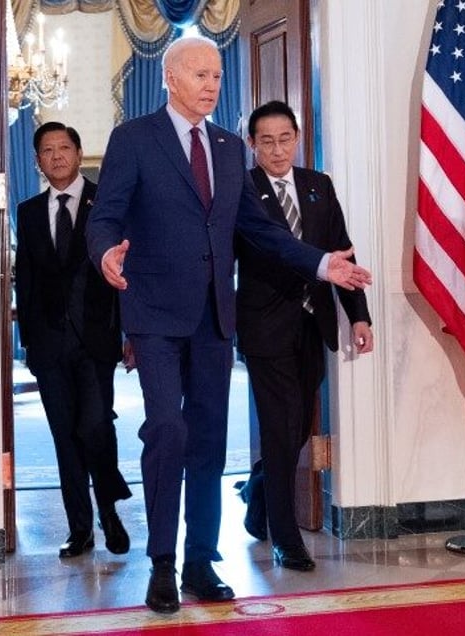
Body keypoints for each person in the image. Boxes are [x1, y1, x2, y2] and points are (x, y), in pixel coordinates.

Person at [86, 36, 372, 614]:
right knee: (168, 431)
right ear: (170, 78)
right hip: (156, 317)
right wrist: (104, 254)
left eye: (217, 74)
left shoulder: (224, 147)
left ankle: (199, 562)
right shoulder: (133, 139)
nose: (213, 84)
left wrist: (320, 262)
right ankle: (161, 564)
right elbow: (106, 213)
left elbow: (259, 229)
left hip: (215, 318)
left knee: (211, 443)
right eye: (200, 74)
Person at [235, 100, 374, 572]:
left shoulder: (318, 186)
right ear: (252, 145)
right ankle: (285, 536)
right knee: (279, 428)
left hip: (313, 325)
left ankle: (257, 493)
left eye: (285, 139)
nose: (277, 150)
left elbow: (342, 252)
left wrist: (359, 315)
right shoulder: (242, 189)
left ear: (297, 138)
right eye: (266, 141)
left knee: (297, 429)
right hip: (264, 324)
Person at [14, 121, 132, 560]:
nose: (57, 156)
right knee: (65, 437)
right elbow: (23, 280)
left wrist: (129, 333)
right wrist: (28, 343)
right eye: (47, 150)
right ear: (38, 160)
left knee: (96, 425)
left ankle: (110, 510)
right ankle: (79, 529)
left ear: (79, 153)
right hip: (48, 345)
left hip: (97, 340)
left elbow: (126, 273)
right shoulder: (27, 213)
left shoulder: (107, 205)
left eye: (64, 147)